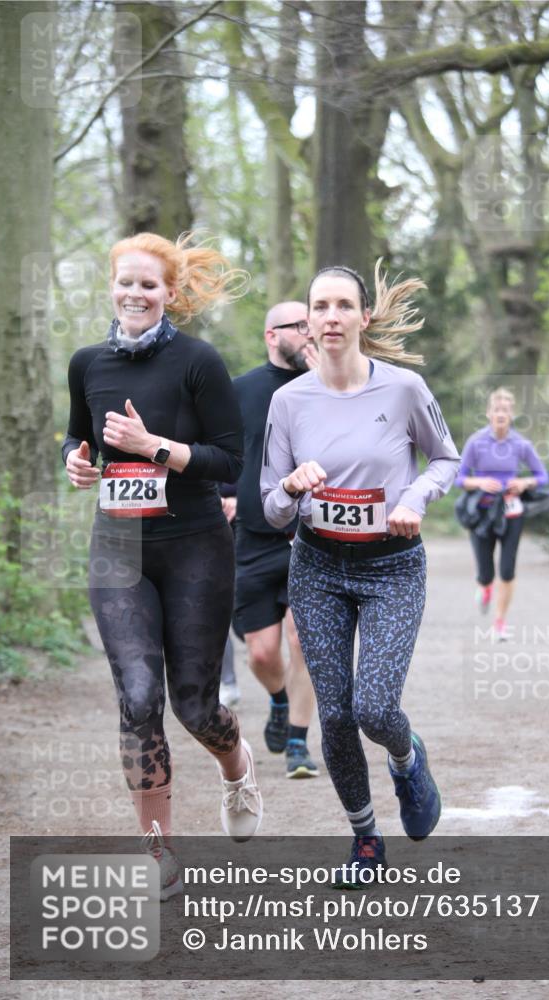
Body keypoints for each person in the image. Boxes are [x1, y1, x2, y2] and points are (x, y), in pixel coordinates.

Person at [62, 232, 263, 897]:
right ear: (112, 287)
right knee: (137, 698)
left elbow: (230, 463)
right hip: (118, 546)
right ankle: (158, 853)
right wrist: (76, 460)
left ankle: (236, 767)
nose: (135, 294)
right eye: (126, 282)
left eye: (149, 285)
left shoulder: (199, 362)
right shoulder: (87, 362)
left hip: (196, 545)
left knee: (195, 707)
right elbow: (79, 433)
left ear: (170, 294)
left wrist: (155, 447)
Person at [261, 262, 460, 885]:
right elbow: (271, 506)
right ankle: (366, 838)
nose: (331, 317)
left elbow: (446, 459)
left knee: (375, 707)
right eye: (320, 307)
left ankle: (407, 758)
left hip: (392, 568)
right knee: (337, 715)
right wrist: (292, 488)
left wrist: (413, 499)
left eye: (344, 305)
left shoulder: (403, 389)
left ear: (363, 316)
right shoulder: (288, 401)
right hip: (317, 567)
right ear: (308, 322)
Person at [231, 302, 319, 778]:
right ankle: (280, 700)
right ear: (271, 335)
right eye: (299, 326)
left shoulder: (325, 388)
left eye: (313, 324)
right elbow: (222, 455)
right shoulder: (239, 390)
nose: (310, 333)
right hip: (253, 536)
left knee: (303, 641)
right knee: (262, 651)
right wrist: (225, 496)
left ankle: (299, 745)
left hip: (311, 537)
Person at [455, 387, 549, 640]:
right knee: (486, 574)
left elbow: (542, 476)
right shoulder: (476, 442)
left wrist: (524, 483)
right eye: (496, 409)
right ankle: (485, 588)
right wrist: (480, 483)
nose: (501, 414)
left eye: (506, 410)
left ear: (512, 415)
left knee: (507, 571)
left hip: (510, 513)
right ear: (488, 413)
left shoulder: (521, 444)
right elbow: (459, 479)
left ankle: (499, 622)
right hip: (482, 514)